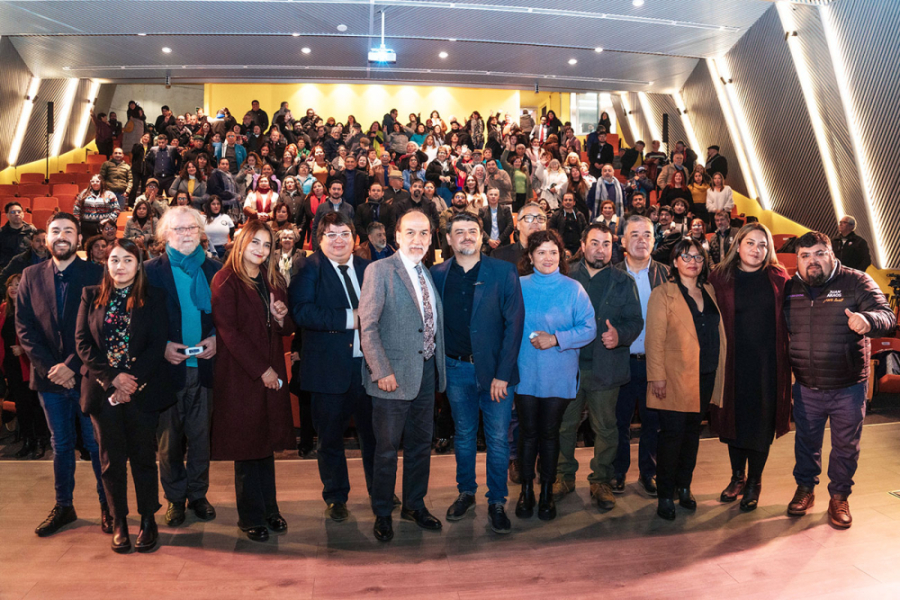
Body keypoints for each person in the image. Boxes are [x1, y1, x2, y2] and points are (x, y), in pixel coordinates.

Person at [783, 232, 895, 529]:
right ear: (798, 260)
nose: (812, 261)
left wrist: (868, 321)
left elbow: (887, 315)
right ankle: (806, 489)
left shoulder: (856, 281)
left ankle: (839, 497)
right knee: (806, 444)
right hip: (806, 384)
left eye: (819, 253)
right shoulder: (791, 287)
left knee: (846, 446)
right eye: (805, 256)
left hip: (848, 386)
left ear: (832, 253)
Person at [15, 213, 110, 537]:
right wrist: (49, 369)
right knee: (61, 444)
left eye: (68, 230)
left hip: (87, 375)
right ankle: (64, 506)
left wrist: (71, 365)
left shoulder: (96, 273)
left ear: (77, 237)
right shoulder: (29, 275)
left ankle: (108, 506)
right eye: (55, 230)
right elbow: (24, 329)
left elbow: (97, 328)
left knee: (97, 445)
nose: (61, 236)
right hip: (48, 380)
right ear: (47, 235)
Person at [74, 239, 169, 553]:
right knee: (110, 461)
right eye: (114, 260)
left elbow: (158, 345)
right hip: (103, 393)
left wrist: (131, 381)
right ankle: (118, 521)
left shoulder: (154, 296)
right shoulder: (91, 295)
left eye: (127, 260)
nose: (120, 266)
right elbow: (83, 343)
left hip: (141, 392)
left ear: (138, 264)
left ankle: (147, 519)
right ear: (106, 263)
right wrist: (112, 378)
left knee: (143, 458)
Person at [359, 209, 448, 542]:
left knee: (420, 446)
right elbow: (367, 327)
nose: (418, 239)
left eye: (424, 233)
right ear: (397, 236)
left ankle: (414, 504)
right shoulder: (379, 270)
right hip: (391, 377)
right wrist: (381, 370)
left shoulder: (427, 273)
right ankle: (383, 511)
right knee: (386, 450)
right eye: (410, 233)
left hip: (425, 373)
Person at [209, 220, 294, 542]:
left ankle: (270, 509)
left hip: (269, 368)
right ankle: (250, 517)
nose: (260, 249)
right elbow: (229, 332)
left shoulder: (273, 279)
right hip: (243, 375)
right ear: (241, 243)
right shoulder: (225, 280)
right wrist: (263, 371)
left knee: (266, 445)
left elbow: (286, 327)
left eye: (266, 244)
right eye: (255, 242)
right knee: (247, 449)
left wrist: (283, 314)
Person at [290, 212, 377, 522]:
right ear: (319, 239)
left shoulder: (369, 268)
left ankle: (379, 491)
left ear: (354, 238)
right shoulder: (308, 268)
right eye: (331, 234)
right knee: (329, 438)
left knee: (375, 437)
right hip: (327, 369)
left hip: (369, 369)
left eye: (344, 234)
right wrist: (349, 319)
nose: (338, 240)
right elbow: (301, 311)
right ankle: (336, 496)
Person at [554, 223, 642, 510]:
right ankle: (563, 476)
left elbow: (635, 322)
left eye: (606, 244)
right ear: (582, 245)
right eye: (594, 243)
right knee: (564, 425)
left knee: (605, 427)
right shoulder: (565, 276)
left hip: (606, 368)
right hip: (568, 365)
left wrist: (620, 336)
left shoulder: (623, 281)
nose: (600, 249)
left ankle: (601, 480)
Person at [145, 206, 222, 528]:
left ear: (201, 232)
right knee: (169, 441)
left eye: (192, 228)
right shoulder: (149, 271)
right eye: (179, 229)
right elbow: (140, 321)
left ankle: (198, 494)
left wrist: (217, 338)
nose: (187, 234)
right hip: (167, 370)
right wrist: (161, 347)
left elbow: (228, 318)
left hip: (204, 368)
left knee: (201, 437)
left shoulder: (216, 269)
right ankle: (175, 499)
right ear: (165, 235)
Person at [708, 223, 791, 511]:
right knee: (735, 420)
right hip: (732, 362)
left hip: (769, 364)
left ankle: (755, 481)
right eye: (751, 243)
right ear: (738, 245)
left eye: (763, 245)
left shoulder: (779, 277)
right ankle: (737, 477)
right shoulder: (720, 276)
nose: (757, 250)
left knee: (761, 423)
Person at [514, 229, 596, 521]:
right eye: (541, 252)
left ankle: (547, 490)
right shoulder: (518, 285)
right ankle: (526, 490)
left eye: (553, 252)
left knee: (550, 435)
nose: (547, 258)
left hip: (558, 374)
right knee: (527, 435)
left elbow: (589, 328)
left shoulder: (573, 289)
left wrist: (557, 339)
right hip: (524, 373)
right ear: (530, 256)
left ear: (561, 255)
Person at [646, 238, 726, 520]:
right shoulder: (662, 293)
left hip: (704, 374)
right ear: (675, 262)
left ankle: (684, 487)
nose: (693, 262)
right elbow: (653, 340)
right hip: (673, 376)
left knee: (692, 434)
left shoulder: (709, 289)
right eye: (686, 257)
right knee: (672, 436)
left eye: (698, 257)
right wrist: (656, 376)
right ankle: (665, 494)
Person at [612, 215, 669, 494]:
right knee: (619, 422)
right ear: (622, 241)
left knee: (653, 423)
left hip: (655, 364)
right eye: (634, 235)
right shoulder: (611, 275)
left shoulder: (667, 275)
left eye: (646, 234)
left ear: (654, 239)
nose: (641, 240)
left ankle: (649, 473)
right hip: (621, 362)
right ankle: (617, 472)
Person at [2, 273, 49, 459]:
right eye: (11, 285)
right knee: (21, 406)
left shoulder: (33, 309)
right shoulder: (4, 309)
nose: (14, 288)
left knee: (35, 404)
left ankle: (39, 441)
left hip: (29, 364)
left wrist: (23, 349)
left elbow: (42, 337)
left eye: (18, 284)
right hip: (11, 365)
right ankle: (27, 440)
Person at [492, 202, 547, 266]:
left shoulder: (556, 257)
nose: (535, 222)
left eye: (540, 218)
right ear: (518, 225)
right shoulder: (499, 256)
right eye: (528, 218)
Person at [0, 229, 48, 297]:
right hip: (25, 300)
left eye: (44, 241)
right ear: (31, 242)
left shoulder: (56, 260)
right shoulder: (19, 260)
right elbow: (2, 279)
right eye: (37, 241)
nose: (41, 244)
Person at [73, 176, 120, 241]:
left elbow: (116, 209)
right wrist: (78, 222)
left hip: (103, 225)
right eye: (92, 181)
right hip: (86, 225)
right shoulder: (84, 193)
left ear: (102, 182)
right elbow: (76, 208)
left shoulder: (109, 194)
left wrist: (108, 220)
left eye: (97, 181)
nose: (95, 183)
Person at [0, 202, 38, 271]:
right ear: (7, 215)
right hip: (8, 271)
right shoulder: (2, 233)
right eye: (13, 212)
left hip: (29, 270)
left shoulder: (32, 230)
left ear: (23, 214)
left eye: (19, 212)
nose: (17, 214)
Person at [480, 188, 514, 255]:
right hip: (487, 244)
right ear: (487, 196)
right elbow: (479, 227)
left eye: (495, 195)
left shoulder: (506, 209)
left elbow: (510, 226)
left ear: (498, 197)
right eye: (491, 194)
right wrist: (489, 240)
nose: (493, 196)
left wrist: (499, 240)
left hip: (503, 243)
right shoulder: (482, 210)